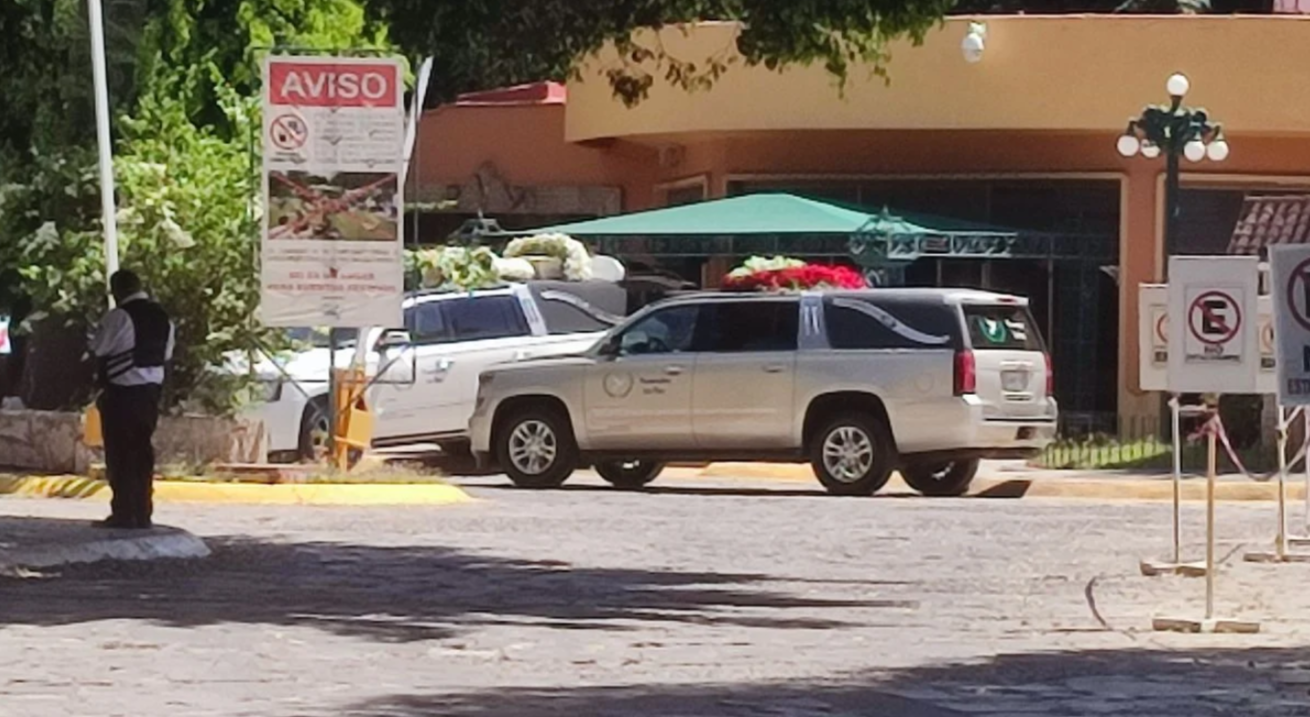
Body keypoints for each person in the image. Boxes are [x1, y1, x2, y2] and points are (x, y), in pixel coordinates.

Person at [90, 270, 174, 529]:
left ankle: (124, 512)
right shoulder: (162, 317)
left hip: (121, 392)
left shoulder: (118, 316)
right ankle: (143, 511)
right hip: (150, 393)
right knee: (142, 452)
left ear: (117, 291)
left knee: (120, 453)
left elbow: (99, 348)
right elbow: (166, 354)